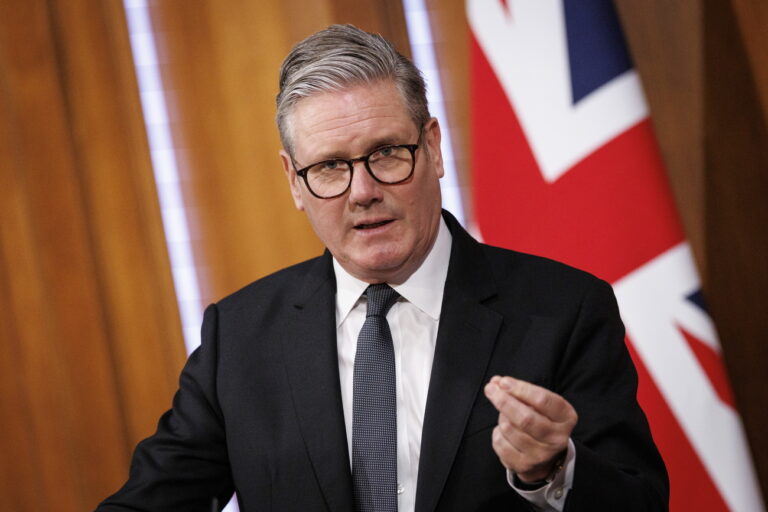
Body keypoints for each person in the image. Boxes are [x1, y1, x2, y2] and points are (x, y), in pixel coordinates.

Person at [97, 24, 668, 511]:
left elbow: (640, 502)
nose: (362, 191)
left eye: (387, 153)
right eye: (329, 167)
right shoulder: (240, 337)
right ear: (294, 181)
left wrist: (554, 470)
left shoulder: (563, 310)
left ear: (433, 148)